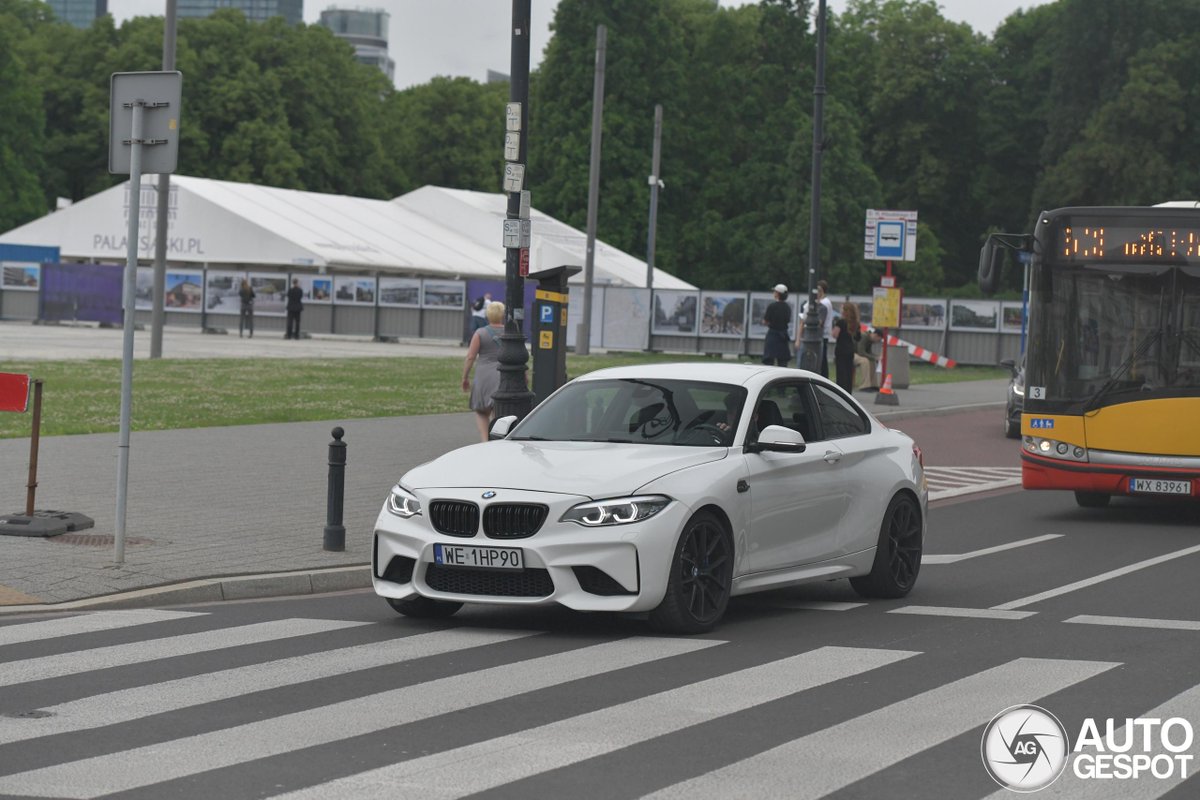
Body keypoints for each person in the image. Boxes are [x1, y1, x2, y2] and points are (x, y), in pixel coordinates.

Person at [462, 300, 506, 441]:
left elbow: (470, 357)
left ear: (487, 315)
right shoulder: (509, 333)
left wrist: (465, 377)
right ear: (503, 315)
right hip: (503, 375)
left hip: (484, 376)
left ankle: (485, 440)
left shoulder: (480, 333)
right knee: (499, 411)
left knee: (482, 411)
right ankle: (499, 439)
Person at [795, 279, 834, 377]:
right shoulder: (807, 305)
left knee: (817, 364)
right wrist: (798, 339)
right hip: (807, 337)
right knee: (803, 363)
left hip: (818, 337)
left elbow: (819, 323)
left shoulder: (824, 305)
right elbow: (802, 322)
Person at [761, 283, 792, 366]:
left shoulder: (772, 306)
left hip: (772, 334)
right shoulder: (787, 307)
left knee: (769, 360)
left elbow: (765, 321)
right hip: (783, 335)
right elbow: (788, 320)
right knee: (782, 361)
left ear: (778, 294)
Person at [833, 301, 861, 393]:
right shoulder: (855, 323)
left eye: (842, 308)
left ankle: (841, 392)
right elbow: (858, 338)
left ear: (845, 311)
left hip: (841, 349)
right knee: (849, 372)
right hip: (850, 350)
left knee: (841, 373)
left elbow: (835, 335)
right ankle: (848, 392)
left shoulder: (840, 322)